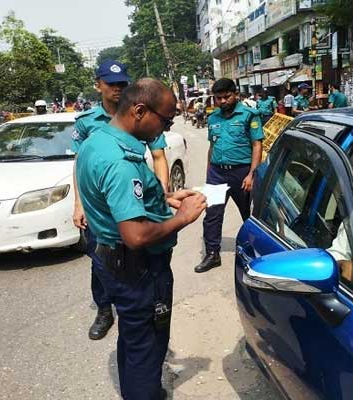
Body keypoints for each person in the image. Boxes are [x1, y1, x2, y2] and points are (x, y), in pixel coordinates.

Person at [76, 78, 207, 399]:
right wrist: (183, 217)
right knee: (147, 344)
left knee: (134, 338)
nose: (166, 127)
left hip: (115, 261)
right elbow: (135, 235)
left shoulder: (99, 140)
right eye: (165, 119)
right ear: (139, 111)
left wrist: (165, 200)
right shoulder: (120, 162)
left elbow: (118, 202)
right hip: (138, 268)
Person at [71, 60, 171, 341]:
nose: (117, 88)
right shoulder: (88, 122)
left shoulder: (144, 116)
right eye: (111, 83)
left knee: (130, 260)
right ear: (98, 85)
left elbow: (159, 156)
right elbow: (80, 163)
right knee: (102, 255)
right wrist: (79, 204)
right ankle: (105, 310)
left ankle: (132, 311)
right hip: (102, 204)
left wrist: (161, 193)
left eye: (121, 84)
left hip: (131, 197)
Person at [195, 78, 264, 273]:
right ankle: (212, 254)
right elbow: (212, 146)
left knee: (248, 215)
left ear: (235, 94)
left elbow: (257, 145)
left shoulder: (249, 115)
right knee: (212, 215)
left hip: (242, 173)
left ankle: (255, 254)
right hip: (217, 173)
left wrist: (252, 174)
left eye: (227, 97)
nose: (223, 101)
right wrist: (209, 172)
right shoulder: (213, 118)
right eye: (219, 98)